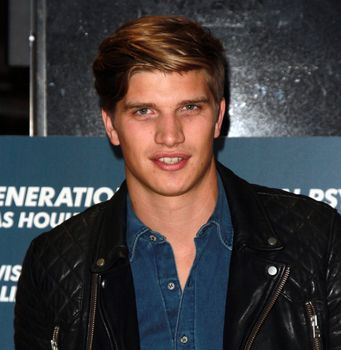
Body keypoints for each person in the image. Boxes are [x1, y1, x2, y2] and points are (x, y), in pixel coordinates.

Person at [14, 15, 341, 350]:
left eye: (189, 107)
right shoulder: (55, 263)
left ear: (218, 116)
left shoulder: (319, 240)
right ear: (111, 125)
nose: (170, 136)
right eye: (144, 111)